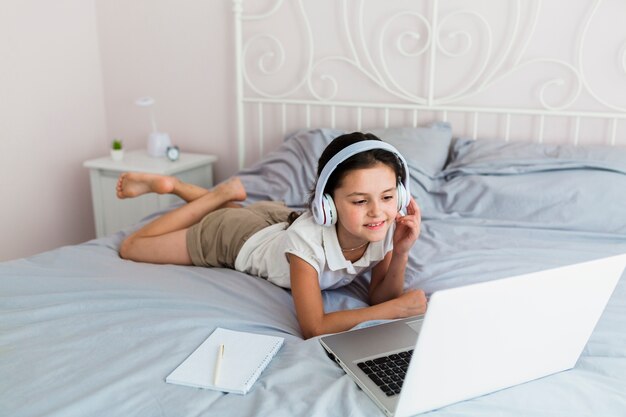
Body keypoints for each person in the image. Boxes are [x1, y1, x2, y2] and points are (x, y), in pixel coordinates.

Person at [117, 132, 427, 339]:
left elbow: (378, 296)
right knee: (133, 247)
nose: (377, 211)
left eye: (387, 197)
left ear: (399, 197)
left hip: (277, 219)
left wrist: (400, 252)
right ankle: (193, 191)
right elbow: (314, 327)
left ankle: (225, 197)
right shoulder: (306, 242)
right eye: (360, 201)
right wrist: (396, 310)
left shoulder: (383, 227)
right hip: (238, 238)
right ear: (327, 204)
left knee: (238, 211)